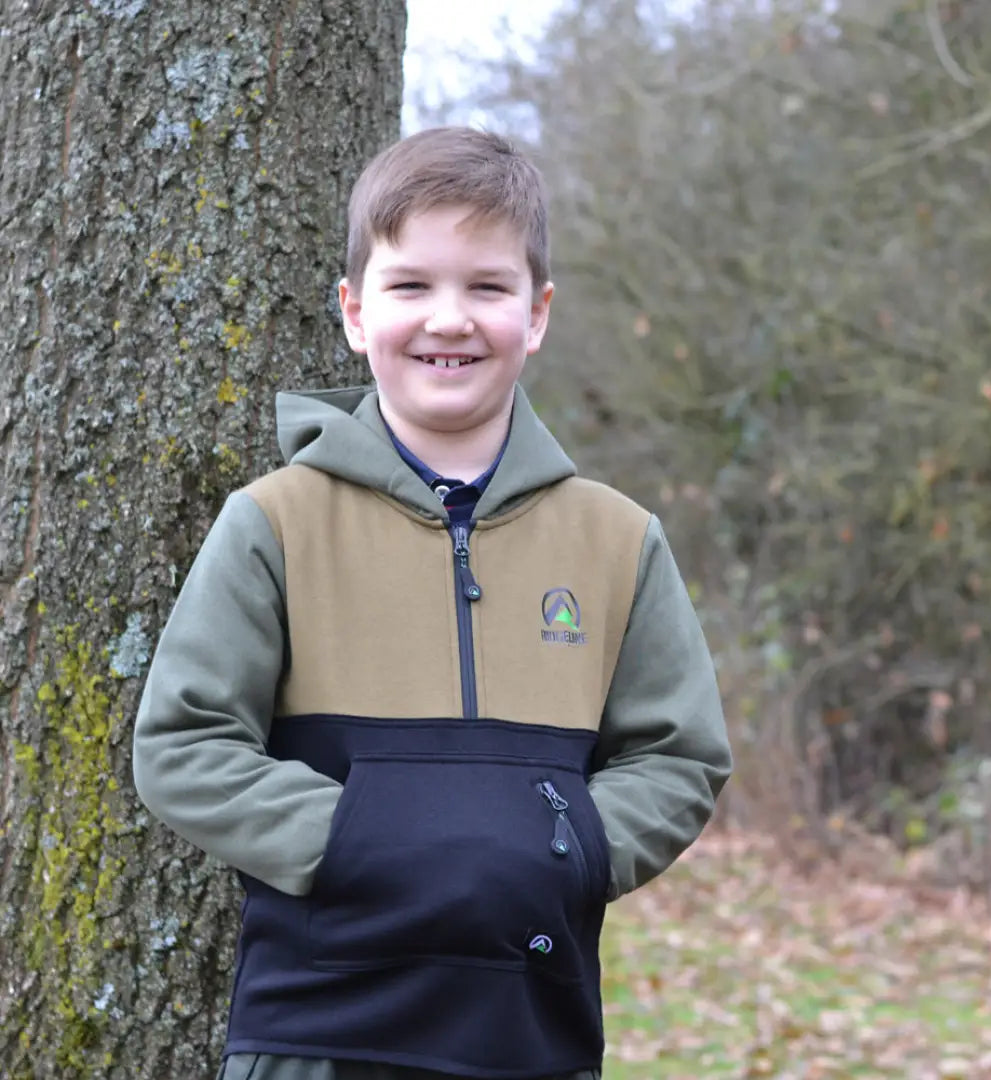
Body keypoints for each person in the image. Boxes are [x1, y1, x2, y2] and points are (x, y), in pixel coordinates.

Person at [132, 126, 731, 1080]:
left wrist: (563, 847)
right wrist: (362, 839)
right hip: (315, 1038)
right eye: (411, 285)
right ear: (355, 312)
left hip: (529, 1036)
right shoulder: (274, 523)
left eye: (486, 287)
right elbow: (183, 746)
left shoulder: (619, 541)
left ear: (535, 315)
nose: (448, 319)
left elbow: (681, 755)